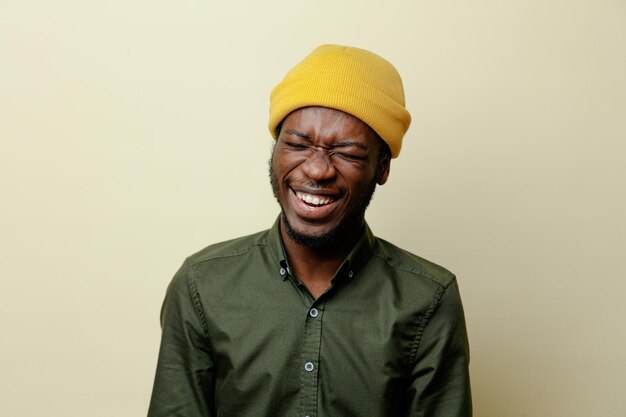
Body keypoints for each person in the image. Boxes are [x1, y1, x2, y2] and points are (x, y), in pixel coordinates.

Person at [147, 44, 471, 417]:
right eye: (299, 144)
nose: (317, 170)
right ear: (275, 151)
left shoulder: (428, 298)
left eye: (347, 152)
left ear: (382, 168)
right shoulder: (202, 285)